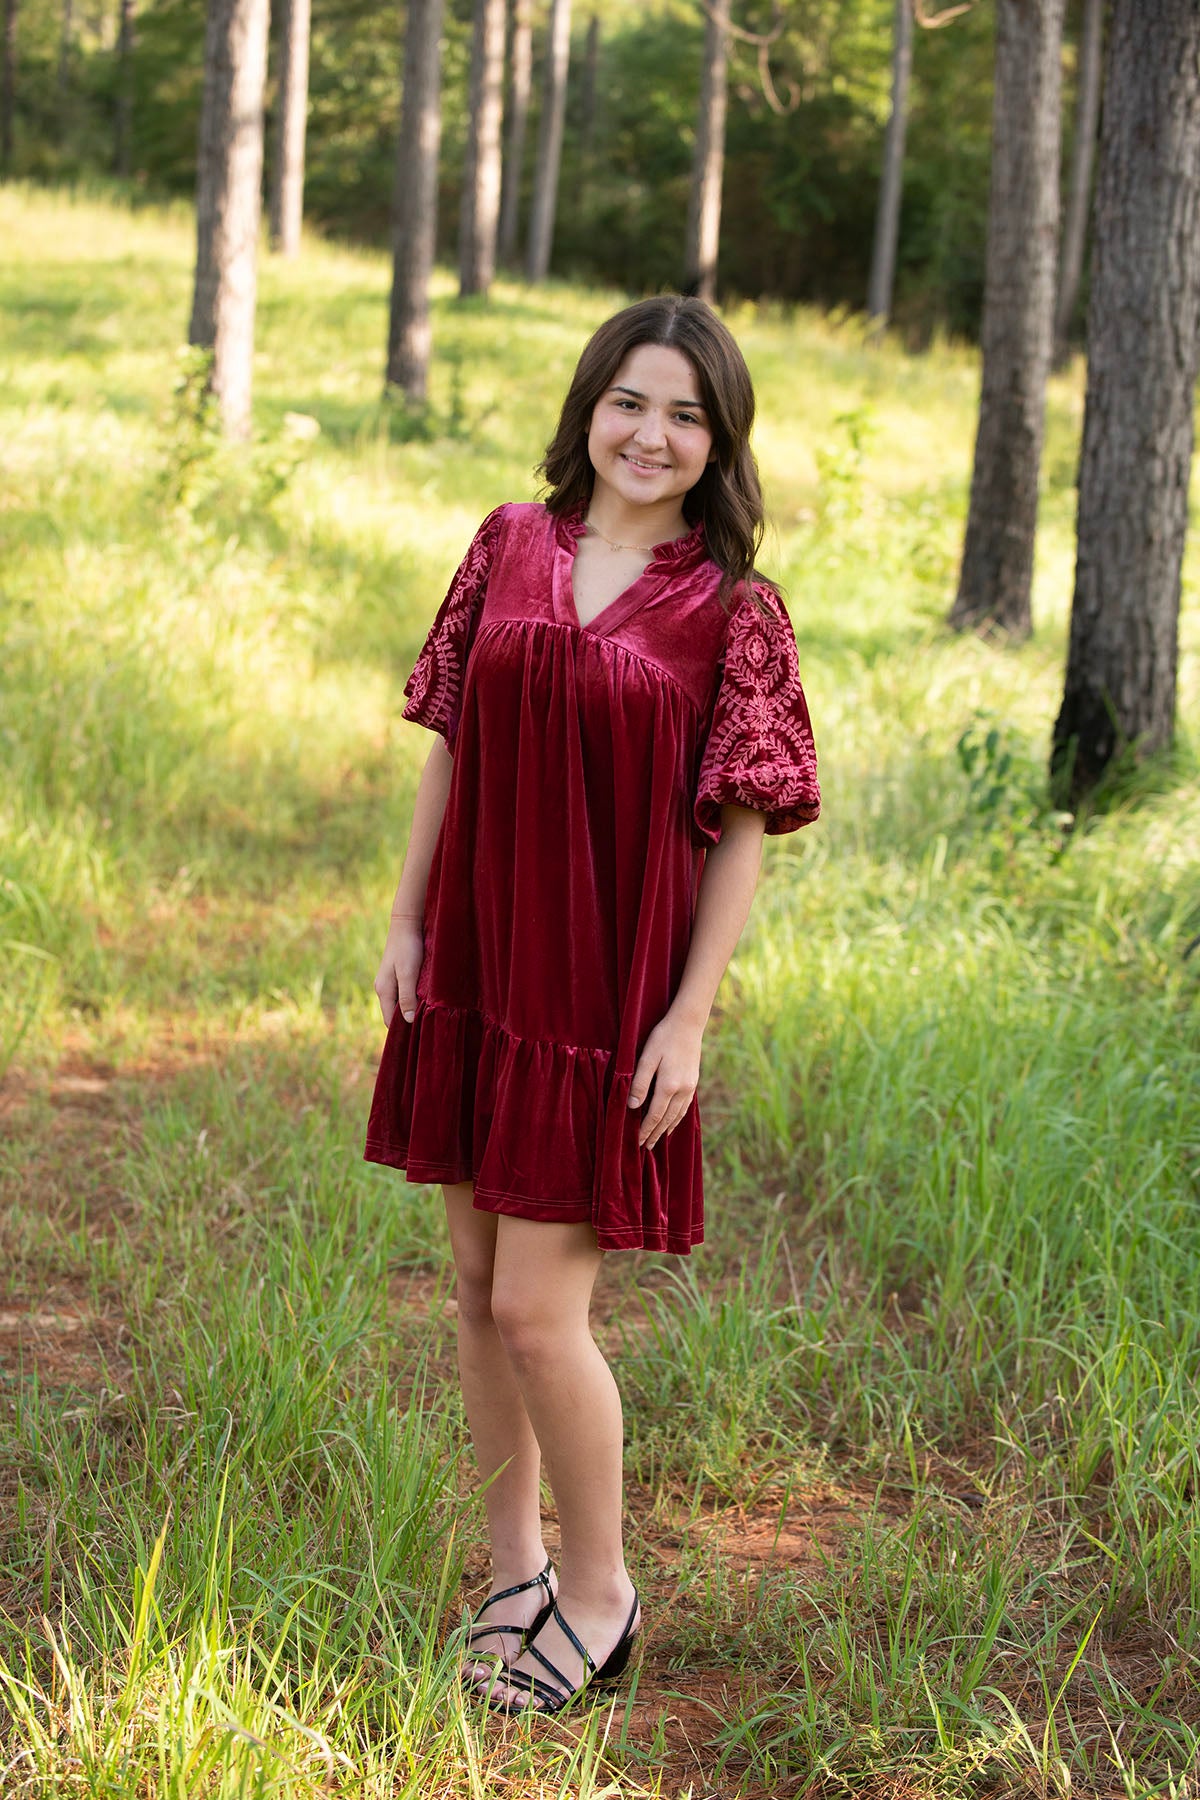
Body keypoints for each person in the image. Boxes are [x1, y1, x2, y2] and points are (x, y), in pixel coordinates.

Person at [364, 294, 819, 1715]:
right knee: (474, 1294)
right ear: (590, 406)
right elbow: (449, 733)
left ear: (718, 442)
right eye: (632, 400)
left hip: (602, 995)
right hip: (483, 962)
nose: (652, 433)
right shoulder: (508, 543)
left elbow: (742, 823)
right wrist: (406, 917)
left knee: (539, 1310)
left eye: (687, 413)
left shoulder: (734, 612)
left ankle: (604, 1590)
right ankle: (513, 1567)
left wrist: (688, 1017)